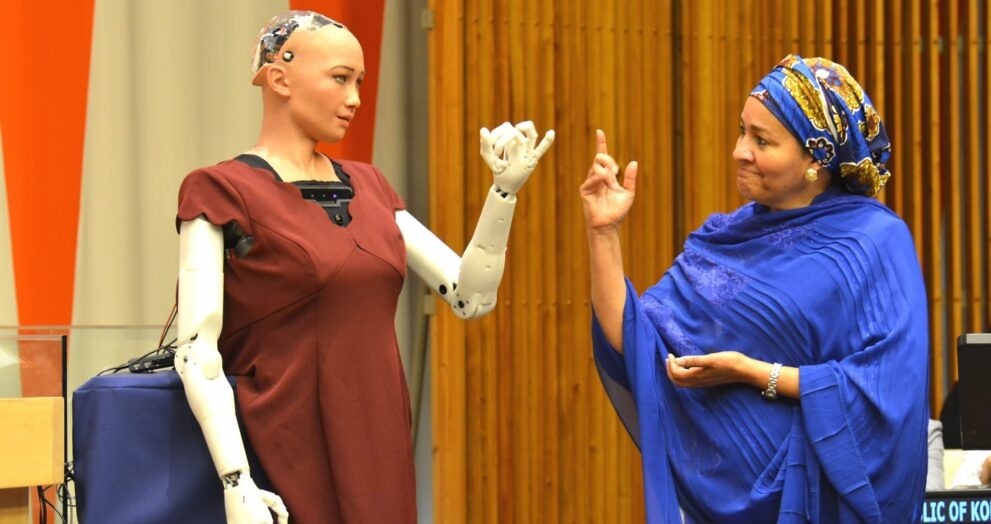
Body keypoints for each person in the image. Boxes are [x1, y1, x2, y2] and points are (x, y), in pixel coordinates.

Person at [174, 11, 553, 524]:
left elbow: (471, 298)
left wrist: (502, 193)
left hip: (379, 439)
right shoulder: (221, 192)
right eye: (339, 78)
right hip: (285, 446)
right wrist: (236, 483)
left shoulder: (370, 187)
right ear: (280, 77)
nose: (354, 98)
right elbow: (197, 352)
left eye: (360, 82)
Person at [581, 55, 929, 522]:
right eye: (742, 131)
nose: (739, 151)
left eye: (761, 140)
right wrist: (603, 233)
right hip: (721, 505)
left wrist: (752, 372)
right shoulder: (722, 240)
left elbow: (888, 392)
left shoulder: (876, 243)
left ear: (815, 159)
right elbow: (636, 345)